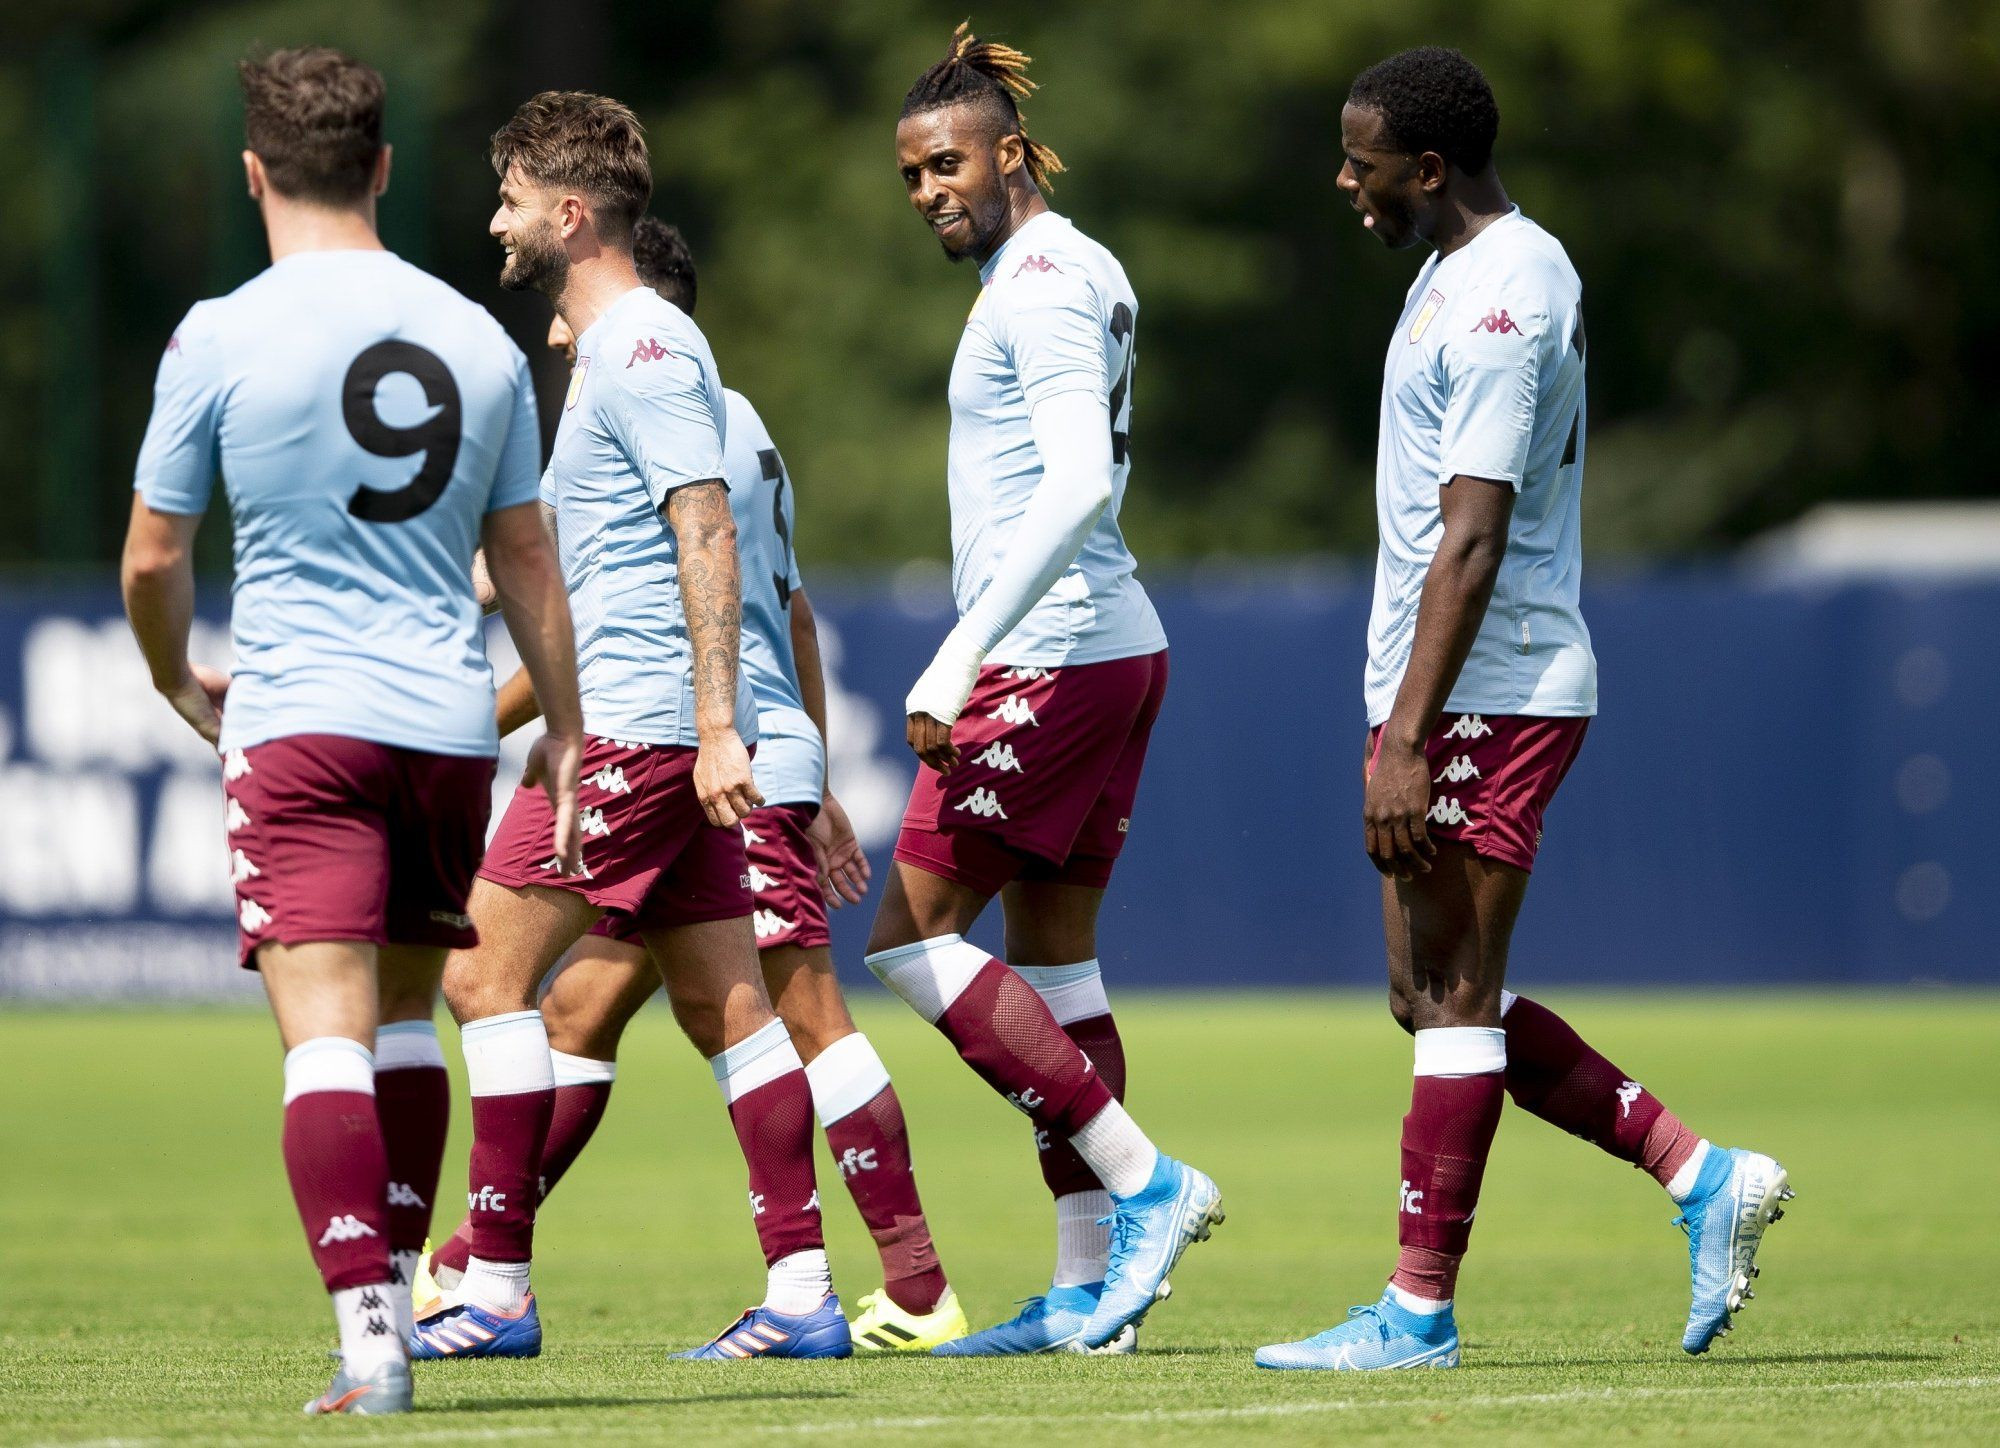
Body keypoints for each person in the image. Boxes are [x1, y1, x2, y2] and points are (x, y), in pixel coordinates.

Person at [1253, 46, 1791, 1373]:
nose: (1345, 182)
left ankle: (1415, 1312)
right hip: (1441, 690)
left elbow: (1476, 536)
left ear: (1429, 167)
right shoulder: (1457, 269)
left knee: (1454, 992)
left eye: (1363, 163)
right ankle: (1701, 1172)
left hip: (1489, 688)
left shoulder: (1503, 294)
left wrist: (1407, 735)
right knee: (1426, 995)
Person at [120, 47, 583, 1415]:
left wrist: (174, 680)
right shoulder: (478, 339)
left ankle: (371, 1340)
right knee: (401, 1025)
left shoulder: (220, 333)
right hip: (443, 727)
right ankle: (400, 1291)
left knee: (321, 1038)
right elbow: (529, 559)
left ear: (252, 173)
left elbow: (153, 556)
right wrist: (565, 724)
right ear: (382, 167)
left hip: (303, 720)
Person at [421, 217, 969, 1354]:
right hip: (746, 744)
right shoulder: (742, 419)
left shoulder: (641, 384)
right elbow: (792, 610)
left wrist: (477, 715)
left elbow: (610, 607)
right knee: (688, 1007)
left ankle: (910, 1281)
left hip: (685, 739)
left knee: (505, 976)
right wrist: (809, 766)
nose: (559, 336)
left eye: (565, 315)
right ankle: (797, 1288)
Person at [872, 24, 1219, 1357]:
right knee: (1056, 964)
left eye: (947, 164)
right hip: (1106, 642)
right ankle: (1088, 1294)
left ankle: (1147, 1184)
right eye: (911, 174)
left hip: (1052, 650)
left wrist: (962, 649)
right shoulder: (1070, 265)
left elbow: (1076, 481)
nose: (927, 192)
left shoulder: (1043, 282)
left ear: (1010, 152)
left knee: (908, 937)